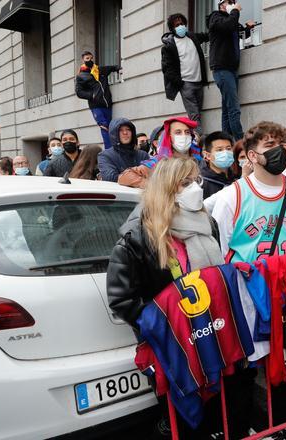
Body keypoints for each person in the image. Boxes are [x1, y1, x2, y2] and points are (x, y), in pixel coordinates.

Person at [211, 121, 286, 439]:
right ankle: (238, 430)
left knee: (284, 364)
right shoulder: (232, 197)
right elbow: (219, 253)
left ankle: (283, 425)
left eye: (280, 144)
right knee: (243, 370)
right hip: (248, 299)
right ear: (253, 155)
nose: (277, 151)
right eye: (268, 145)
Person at [107, 157, 225, 439]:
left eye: (197, 181)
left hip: (208, 330)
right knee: (182, 413)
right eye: (185, 183)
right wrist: (163, 323)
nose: (195, 188)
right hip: (171, 342)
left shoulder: (207, 224)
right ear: (167, 188)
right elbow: (121, 298)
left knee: (213, 404)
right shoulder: (139, 235)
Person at [208, 0, 255, 140]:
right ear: (222, 4)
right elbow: (228, 26)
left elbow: (239, 32)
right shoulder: (215, 17)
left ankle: (226, 140)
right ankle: (241, 143)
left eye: (234, 2)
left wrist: (247, 28)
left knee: (227, 109)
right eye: (230, 2)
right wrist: (235, 11)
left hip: (231, 68)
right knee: (234, 108)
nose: (233, 4)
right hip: (222, 69)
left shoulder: (230, 19)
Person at [161, 13, 209, 133]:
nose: (181, 26)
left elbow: (208, 35)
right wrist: (180, 83)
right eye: (177, 25)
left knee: (198, 113)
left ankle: (193, 138)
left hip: (199, 82)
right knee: (194, 115)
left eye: (182, 24)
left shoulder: (192, 37)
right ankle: (200, 142)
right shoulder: (169, 46)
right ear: (172, 28)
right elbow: (167, 69)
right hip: (186, 85)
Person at [75, 51, 121, 150]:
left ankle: (116, 148)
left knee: (110, 127)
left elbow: (113, 67)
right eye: (87, 58)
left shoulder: (99, 70)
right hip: (95, 105)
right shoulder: (81, 76)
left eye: (91, 58)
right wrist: (92, 95)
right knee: (104, 126)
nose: (90, 60)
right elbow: (79, 92)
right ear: (83, 60)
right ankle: (109, 150)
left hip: (107, 103)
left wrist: (119, 69)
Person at [98, 118, 150, 183]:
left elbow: (150, 175)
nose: (125, 133)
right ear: (114, 134)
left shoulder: (143, 155)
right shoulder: (105, 155)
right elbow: (110, 177)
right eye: (120, 130)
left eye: (128, 129)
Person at [201, 131, 237, 199]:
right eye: (219, 150)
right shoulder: (202, 184)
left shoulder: (236, 177)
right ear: (207, 155)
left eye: (228, 149)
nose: (225, 152)